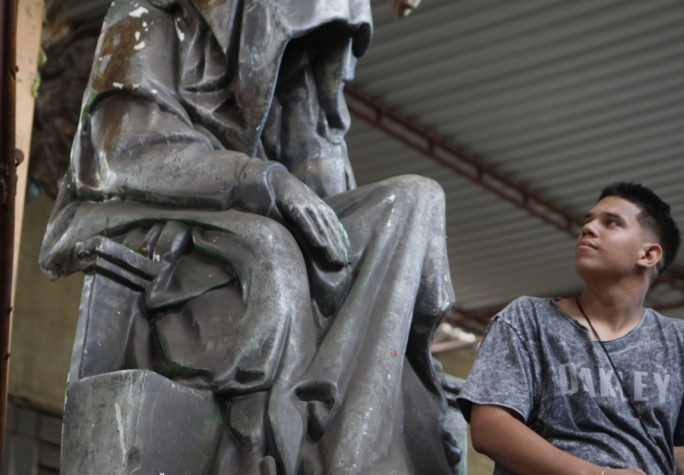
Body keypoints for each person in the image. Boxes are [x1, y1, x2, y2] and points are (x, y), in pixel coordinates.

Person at [39, 0, 460, 473]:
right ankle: (294, 437)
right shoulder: (147, 17)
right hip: (156, 210)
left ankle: (356, 444)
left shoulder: (292, 56)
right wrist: (265, 181)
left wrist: (351, 245)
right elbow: (124, 150)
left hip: (253, 210)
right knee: (273, 255)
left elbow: (319, 179)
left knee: (411, 201)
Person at [459, 183, 684, 475]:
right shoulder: (527, 319)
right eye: (588, 220)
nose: (588, 228)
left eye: (610, 222)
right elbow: (490, 429)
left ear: (648, 254)